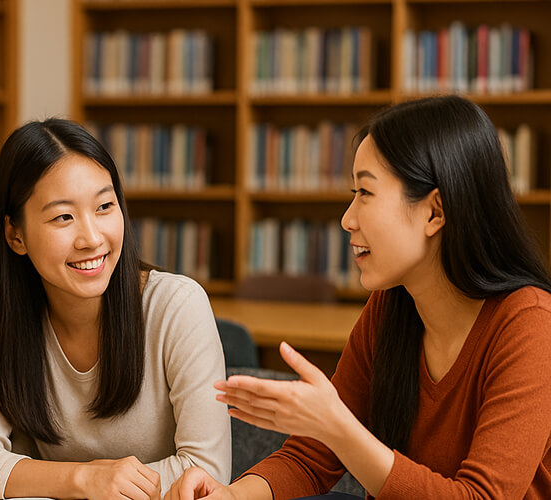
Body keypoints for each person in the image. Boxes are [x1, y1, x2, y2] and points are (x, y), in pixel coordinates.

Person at [166, 95, 551, 500]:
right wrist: (231, 496)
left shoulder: (530, 324)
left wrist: (338, 428)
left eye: (365, 192)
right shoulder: (391, 306)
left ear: (434, 212)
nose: (347, 219)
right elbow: (310, 458)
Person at [0, 118, 231, 500]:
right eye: (63, 217)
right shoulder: (3, 324)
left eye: (104, 206)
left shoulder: (177, 307)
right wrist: (85, 479)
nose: (92, 238)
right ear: (16, 235)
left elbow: (207, 471)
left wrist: (81, 483)